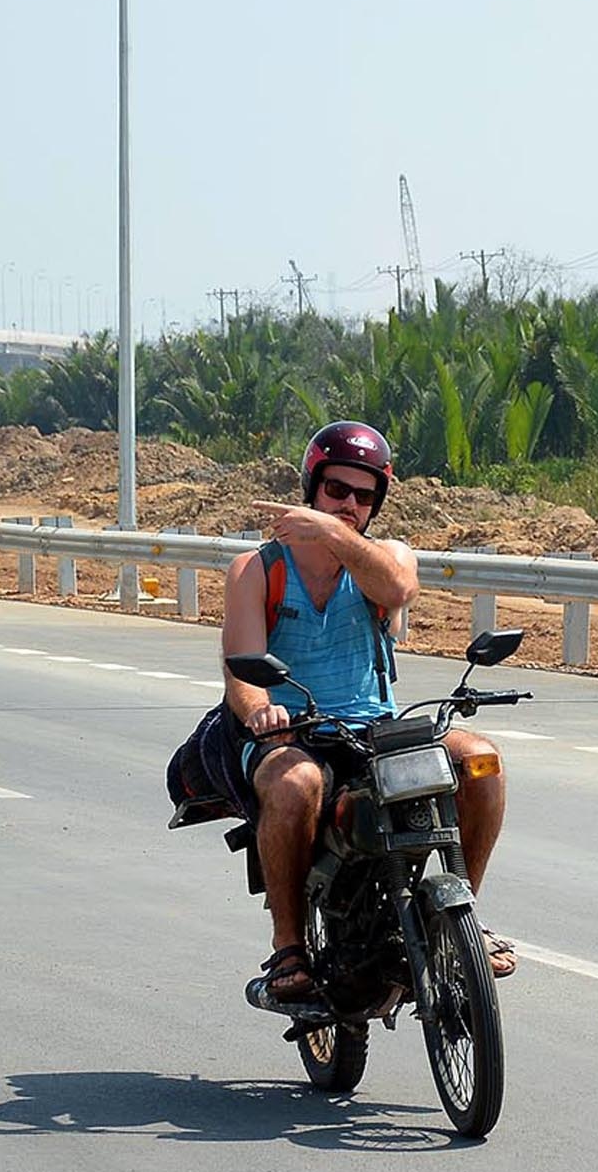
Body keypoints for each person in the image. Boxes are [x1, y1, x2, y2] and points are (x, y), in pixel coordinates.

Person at [219, 420, 513, 1003]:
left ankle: (460, 922)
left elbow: (398, 589)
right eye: (336, 491)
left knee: (480, 760)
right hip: (292, 732)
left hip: (374, 730)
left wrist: (331, 531)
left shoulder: (387, 557)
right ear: (312, 486)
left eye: (363, 495)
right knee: (295, 784)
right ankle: (288, 947)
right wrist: (261, 714)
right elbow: (241, 672)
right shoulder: (257, 569)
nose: (349, 504)